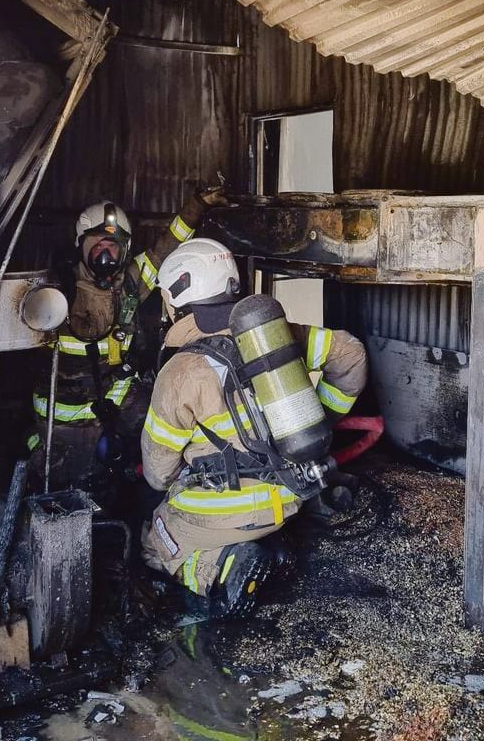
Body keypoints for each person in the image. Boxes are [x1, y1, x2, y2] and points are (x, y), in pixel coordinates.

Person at [140, 238, 367, 616]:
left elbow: (158, 475)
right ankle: (274, 547)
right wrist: (320, 419)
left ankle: (222, 566)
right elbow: (351, 355)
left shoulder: (179, 374)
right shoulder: (276, 338)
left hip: (226, 514)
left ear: (178, 297)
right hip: (293, 494)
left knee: (156, 540)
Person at [31, 187, 225, 488]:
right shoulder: (56, 289)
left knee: (169, 416)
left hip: (114, 403)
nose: (106, 256)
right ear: (80, 244)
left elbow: (166, 248)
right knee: (62, 483)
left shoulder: (130, 283)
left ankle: (178, 480)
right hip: (62, 416)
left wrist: (196, 206)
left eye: (114, 247)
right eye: (98, 246)